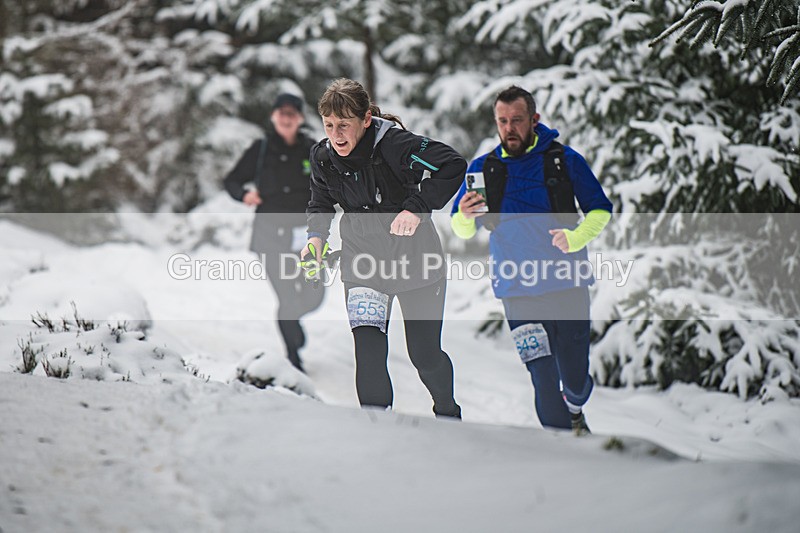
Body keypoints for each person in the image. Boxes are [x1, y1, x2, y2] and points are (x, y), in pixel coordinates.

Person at [450, 85, 613, 434]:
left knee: (575, 379)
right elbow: (462, 229)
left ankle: (575, 408)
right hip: (517, 291)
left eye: (517, 120)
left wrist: (575, 238)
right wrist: (464, 215)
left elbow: (600, 210)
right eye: (502, 121)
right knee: (542, 375)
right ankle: (561, 451)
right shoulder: (483, 168)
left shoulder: (564, 161)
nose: (509, 128)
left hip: (567, 284)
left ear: (534, 119)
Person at [303, 78, 465, 418]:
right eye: (329, 125)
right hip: (363, 264)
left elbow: (452, 164)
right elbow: (320, 202)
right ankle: (377, 429)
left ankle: (448, 412)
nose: (336, 135)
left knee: (425, 355)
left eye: (344, 125)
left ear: (366, 120)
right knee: (369, 353)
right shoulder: (323, 157)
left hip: (417, 261)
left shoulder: (396, 145)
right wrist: (316, 239)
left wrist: (416, 208)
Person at [224, 93, 323, 372]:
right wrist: (245, 194)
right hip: (269, 235)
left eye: (292, 114)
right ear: (273, 116)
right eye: (282, 113)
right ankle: (293, 355)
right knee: (287, 297)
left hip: (307, 236)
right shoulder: (261, 149)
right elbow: (232, 180)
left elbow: (330, 183)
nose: (286, 118)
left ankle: (292, 322)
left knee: (314, 295)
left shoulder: (312, 149)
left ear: (300, 118)